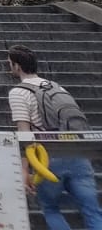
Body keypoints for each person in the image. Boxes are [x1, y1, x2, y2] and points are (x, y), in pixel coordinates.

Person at [7, 43, 102, 229]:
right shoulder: (57, 87)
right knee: (92, 210)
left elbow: (24, 133)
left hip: (47, 157)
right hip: (78, 155)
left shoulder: (18, 92)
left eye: (9, 63)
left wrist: (25, 170)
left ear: (17, 66)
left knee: (51, 208)